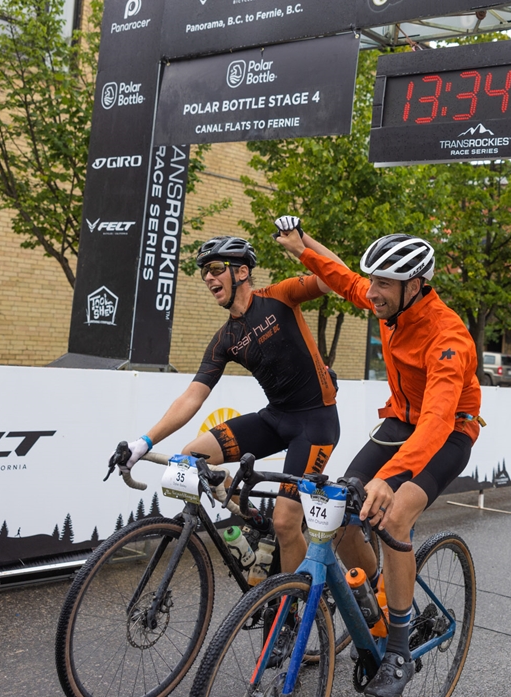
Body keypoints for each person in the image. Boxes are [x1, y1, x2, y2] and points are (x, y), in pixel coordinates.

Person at [275, 217, 480, 697]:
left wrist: (390, 478)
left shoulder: (449, 337)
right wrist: (300, 246)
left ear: (415, 285)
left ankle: (400, 651)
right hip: (400, 420)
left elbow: (435, 420)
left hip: (448, 430)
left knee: (392, 519)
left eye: (384, 282)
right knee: (344, 511)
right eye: (374, 280)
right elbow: (343, 277)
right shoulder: (384, 301)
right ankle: (374, 607)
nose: (373, 291)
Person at [119, 236, 339, 574]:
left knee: (286, 523)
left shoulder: (280, 297)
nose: (208, 277)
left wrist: (303, 241)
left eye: (215, 268)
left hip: (315, 423)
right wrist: (144, 441)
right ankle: (255, 521)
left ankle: (290, 612)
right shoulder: (226, 338)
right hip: (276, 417)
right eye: (204, 272)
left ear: (242, 272)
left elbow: (335, 275)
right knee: (193, 456)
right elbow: (192, 396)